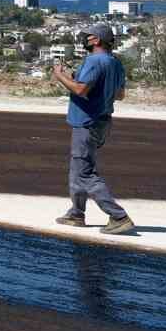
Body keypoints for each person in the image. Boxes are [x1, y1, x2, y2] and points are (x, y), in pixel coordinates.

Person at [51, 23, 134, 235]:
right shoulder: (115, 63)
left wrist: (60, 76)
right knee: (77, 167)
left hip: (86, 122)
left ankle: (118, 216)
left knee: (85, 172)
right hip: (103, 121)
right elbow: (120, 95)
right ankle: (76, 214)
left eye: (87, 37)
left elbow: (80, 89)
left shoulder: (94, 61)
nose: (84, 40)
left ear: (96, 40)